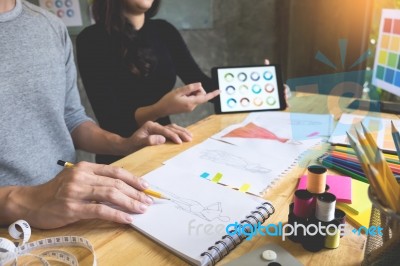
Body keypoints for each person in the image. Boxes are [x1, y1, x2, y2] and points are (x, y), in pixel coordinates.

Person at [0, 0, 192, 229]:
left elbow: (72, 119)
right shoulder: (93, 39)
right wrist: (25, 201)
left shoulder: (49, 26)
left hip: (73, 208)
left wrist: (125, 143)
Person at [76, 0, 220, 164]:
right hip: (121, 158)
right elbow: (112, 120)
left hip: (165, 146)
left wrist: (247, 91)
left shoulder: (164, 30)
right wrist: (160, 109)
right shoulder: (91, 39)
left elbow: (200, 82)